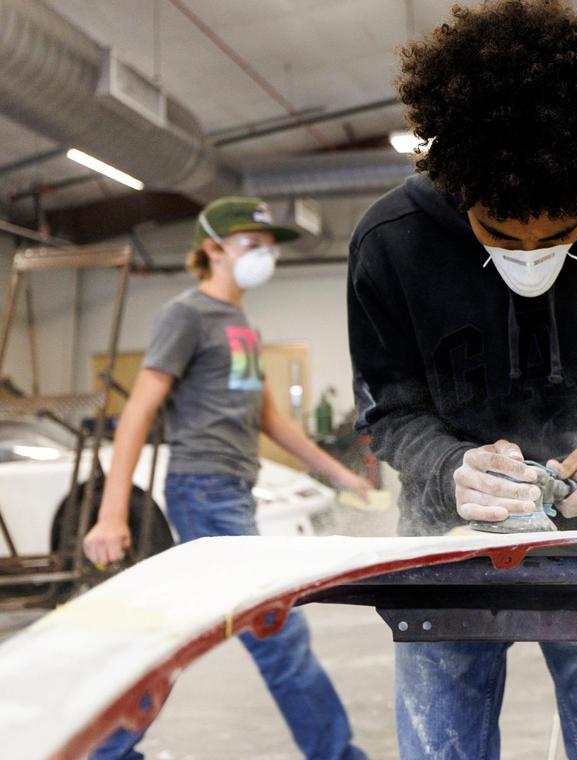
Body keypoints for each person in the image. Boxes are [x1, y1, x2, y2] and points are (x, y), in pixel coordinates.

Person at [347, 2, 577, 757]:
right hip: (444, 544)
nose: (531, 253)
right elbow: (387, 410)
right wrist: (451, 470)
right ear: (456, 183)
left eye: (562, 230)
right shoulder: (390, 244)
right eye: (500, 233)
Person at [83, 197, 371, 760]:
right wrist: (112, 512)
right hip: (203, 492)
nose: (264, 254)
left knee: (185, 636)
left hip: (230, 495)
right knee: (277, 634)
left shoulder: (241, 325)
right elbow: (139, 412)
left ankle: (108, 751)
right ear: (212, 248)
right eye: (250, 244)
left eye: (268, 245)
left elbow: (270, 419)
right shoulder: (185, 315)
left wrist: (342, 476)